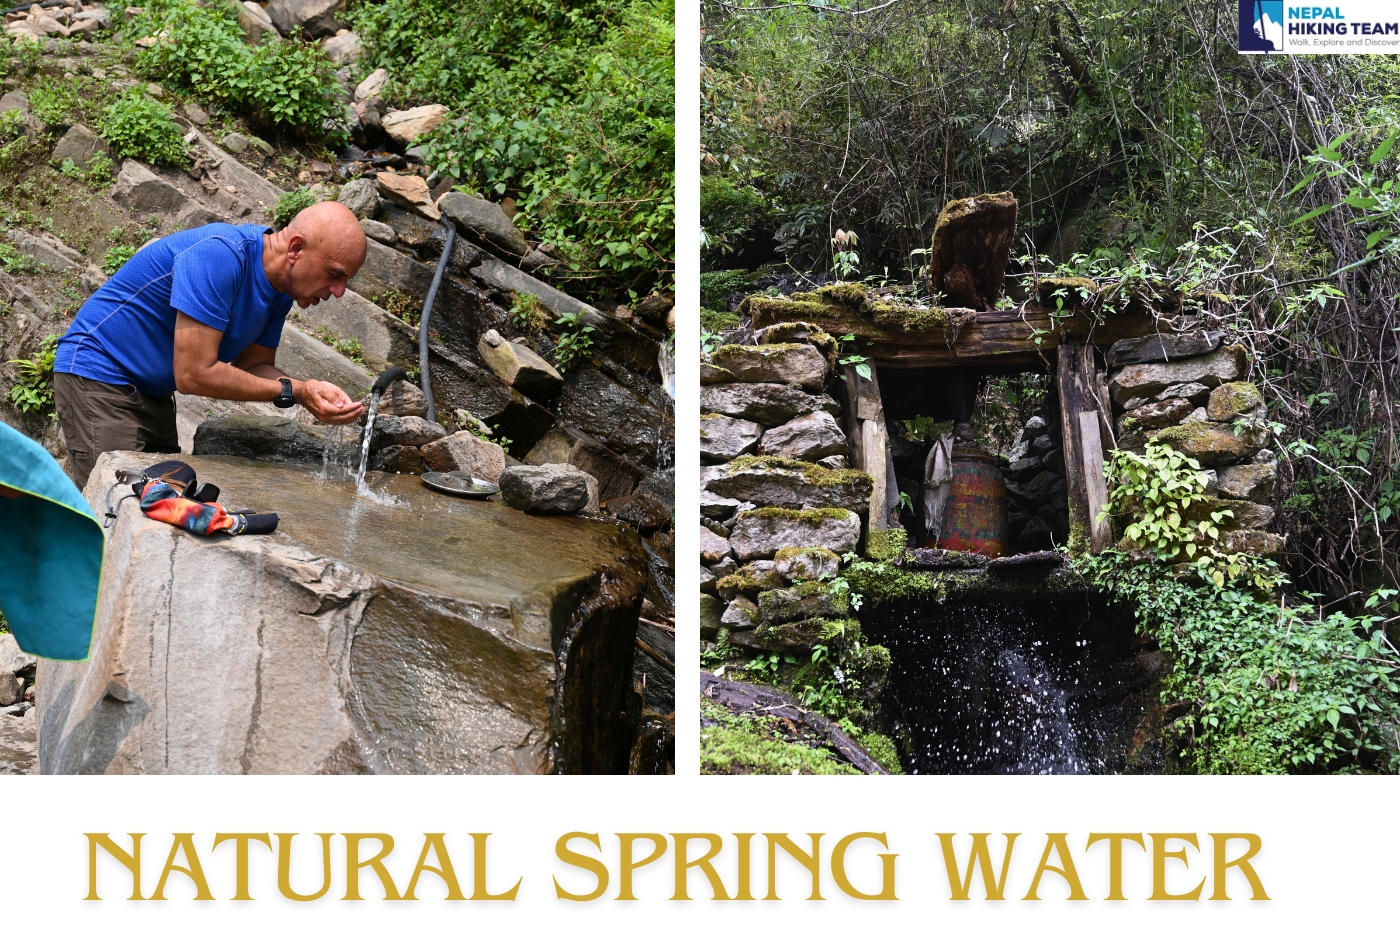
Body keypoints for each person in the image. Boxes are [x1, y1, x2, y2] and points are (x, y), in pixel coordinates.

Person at [53, 201, 369, 487]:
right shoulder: (220, 255)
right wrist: (295, 391)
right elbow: (194, 374)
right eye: (335, 274)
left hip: (153, 395)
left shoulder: (280, 293)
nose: (339, 291)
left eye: (345, 281)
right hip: (99, 375)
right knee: (118, 504)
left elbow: (254, 366)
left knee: (164, 504)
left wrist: (307, 387)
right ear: (296, 249)